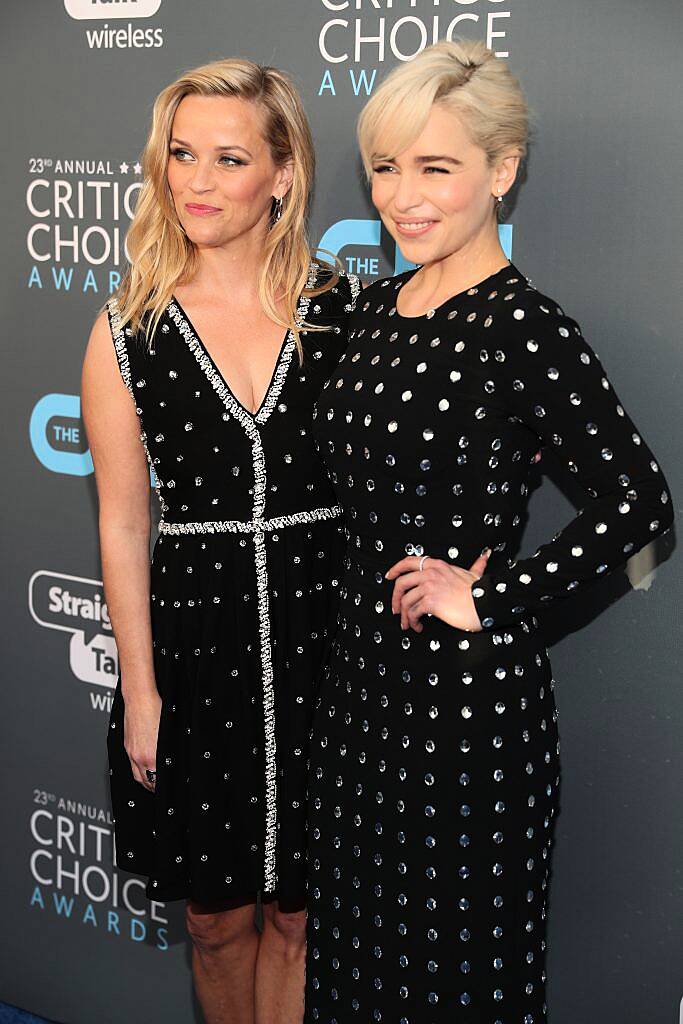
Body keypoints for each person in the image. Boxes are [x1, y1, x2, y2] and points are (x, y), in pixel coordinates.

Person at [304, 38, 674, 1022]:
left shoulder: (522, 327)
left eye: (436, 167)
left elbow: (641, 504)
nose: (402, 196)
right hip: (354, 706)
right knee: (350, 980)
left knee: (458, 985)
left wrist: (492, 593)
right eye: (385, 167)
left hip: (465, 719)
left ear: (499, 171)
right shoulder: (369, 310)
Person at [81, 58, 359, 1024]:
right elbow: (121, 521)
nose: (195, 181)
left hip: (329, 645)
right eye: (180, 154)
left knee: (298, 917)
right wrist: (141, 691)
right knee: (214, 922)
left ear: (282, 175)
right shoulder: (128, 326)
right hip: (197, 654)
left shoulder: (346, 315)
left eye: (228, 158)